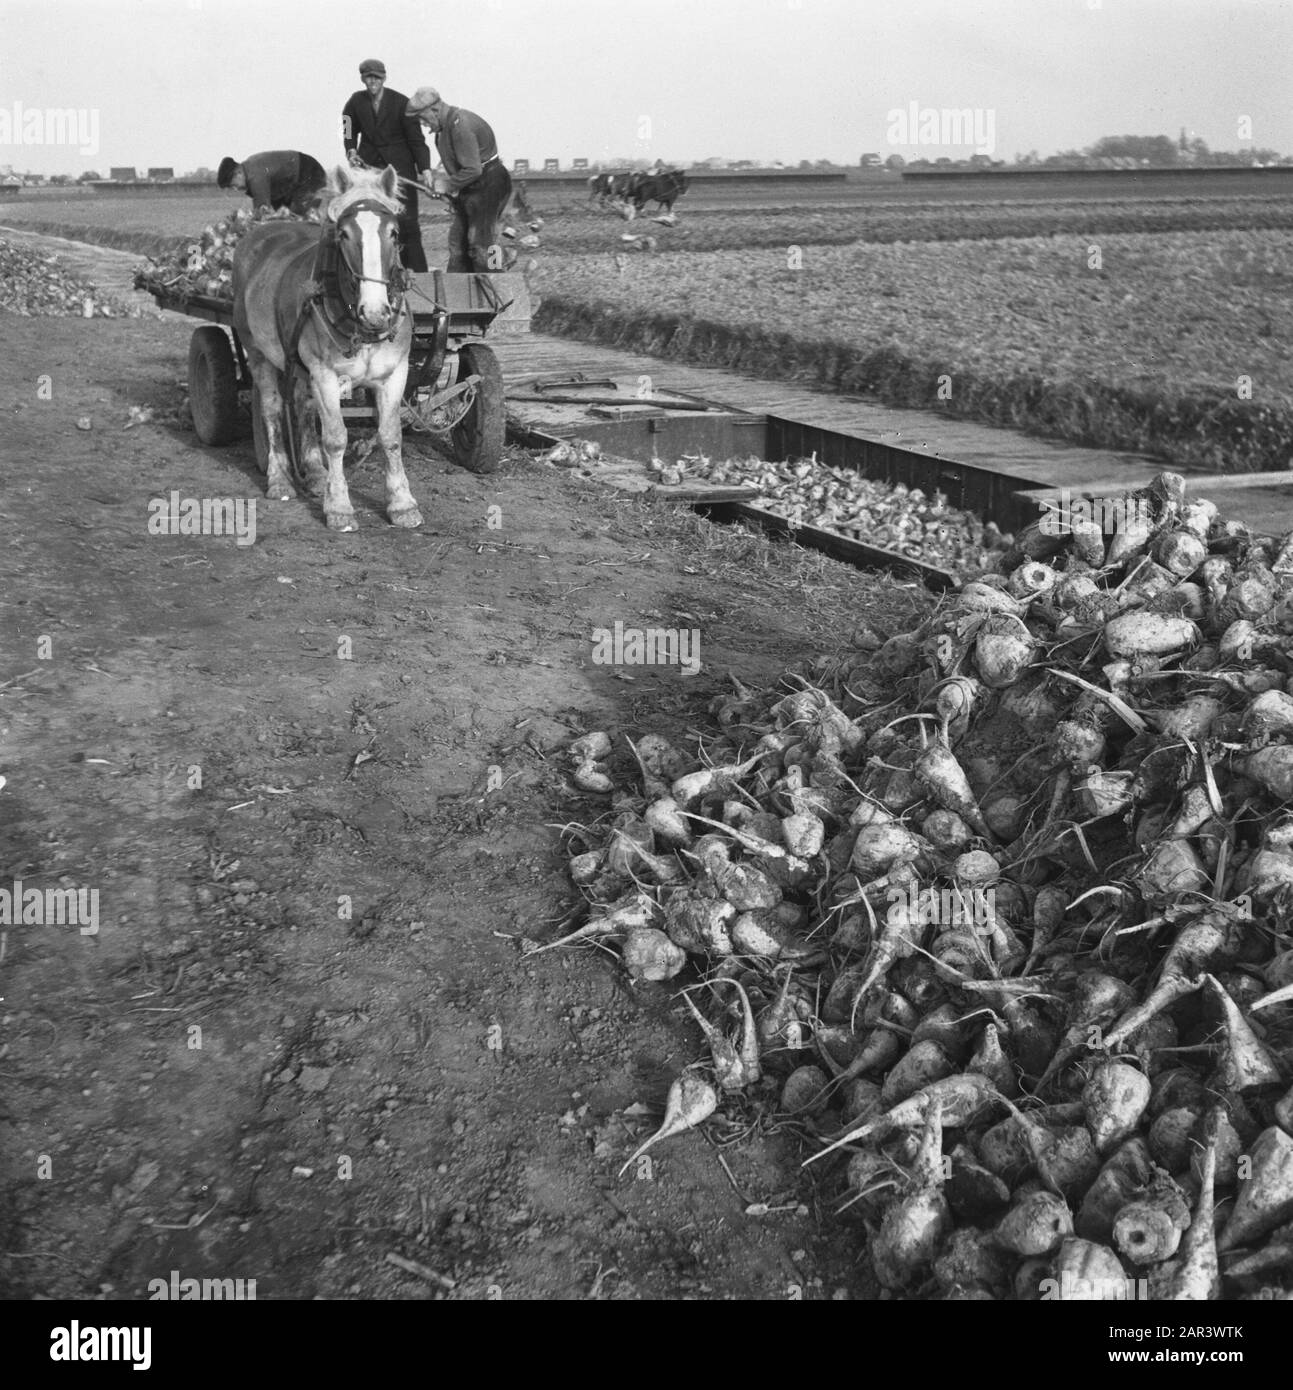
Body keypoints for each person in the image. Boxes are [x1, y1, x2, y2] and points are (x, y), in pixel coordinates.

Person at [405, 87, 513, 274]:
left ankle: (498, 275)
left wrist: (446, 185)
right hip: (472, 188)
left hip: (490, 185)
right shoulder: (442, 131)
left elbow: (473, 169)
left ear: (435, 111)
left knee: (482, 244)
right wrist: (444, 188)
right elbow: (462, 171)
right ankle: (458, 292)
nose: (423, 124)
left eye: (423, 118)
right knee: (457, 244)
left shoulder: (460, 126)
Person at [340, 58, 431, 272]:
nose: (373, 81)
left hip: (399, 172)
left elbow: (416, 140)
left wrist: (425, 168)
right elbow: (347, 127)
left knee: (407, 224)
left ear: (384, 78)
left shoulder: (401, 103)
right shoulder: (355, 102)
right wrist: (351, 149)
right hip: (368, 171)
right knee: (372, 224)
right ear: (362, 78)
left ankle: (418, 273)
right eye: (368, 77)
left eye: (377, 77)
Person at [217, 151, 328, 217]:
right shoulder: (250, 168)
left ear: (238, 173)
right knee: (285, 217)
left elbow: (261, 210)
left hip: (308, 172)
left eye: (233, 185)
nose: (236, 189)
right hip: (291, 182)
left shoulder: (255, 176)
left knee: (299, 217)